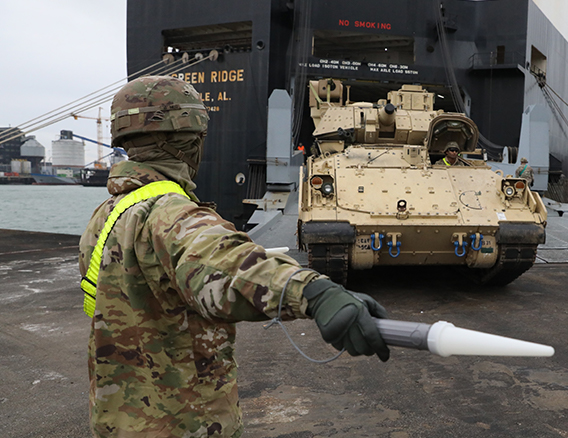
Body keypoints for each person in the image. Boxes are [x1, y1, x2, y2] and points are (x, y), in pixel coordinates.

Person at [79, 76, 389, 438]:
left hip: (117, 420)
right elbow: (219, 261)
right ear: (189, 142)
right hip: (182, 423)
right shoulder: (170, 214)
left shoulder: (106, 215)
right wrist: (313, 293)